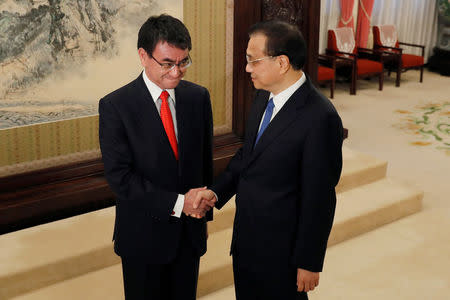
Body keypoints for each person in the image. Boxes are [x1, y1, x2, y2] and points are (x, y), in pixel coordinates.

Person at [194, 20, 344, 300]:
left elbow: (319, 197)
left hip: (283, 253)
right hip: (247, 242)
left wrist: (309, 261)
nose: (247, 68)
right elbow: (246, 157)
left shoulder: (320, 118)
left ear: (282, 63)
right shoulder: (263, 97)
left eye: (254, 60)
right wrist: (216, 192)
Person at [98, 14, 215, 300]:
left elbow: (203, 163)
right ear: (143, 55)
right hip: (143, 239)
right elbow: (120, 178)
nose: (176, 72)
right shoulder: (116, 106)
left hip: (189, 236)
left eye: (183, 62)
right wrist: (179, 203)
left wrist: (203, 212)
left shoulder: (198, 98)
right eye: (167, 64)